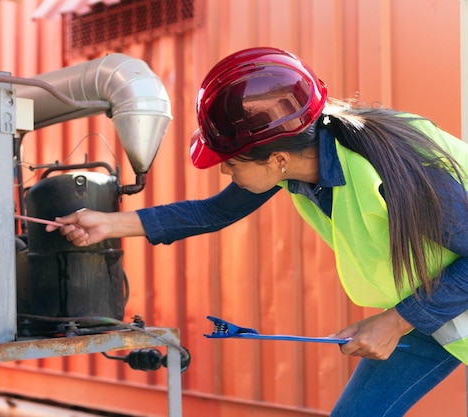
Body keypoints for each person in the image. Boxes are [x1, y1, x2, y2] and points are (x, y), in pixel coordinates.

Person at [45, 47, 468, 416]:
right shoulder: (303, 157)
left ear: (278, 160)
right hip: (426, 308)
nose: (225, 171)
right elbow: (215, 212)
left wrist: (393, 324)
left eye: (230, 162)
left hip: (437, 301)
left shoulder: (397, 173)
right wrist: (107, 224)